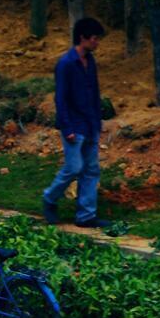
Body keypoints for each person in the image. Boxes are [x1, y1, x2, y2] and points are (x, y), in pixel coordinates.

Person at [42, 17, 110, 228]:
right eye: (94, 39)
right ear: (83, 38)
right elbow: (60, 98)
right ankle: (49, 198)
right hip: (74, 125)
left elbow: (95, 92)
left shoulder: (91, 62)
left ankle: (86, 216)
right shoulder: (66, 64)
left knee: (91, 169)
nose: (97, 43)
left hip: (90, 123)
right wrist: (67, 126)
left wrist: (98, 121)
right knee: (73, 167)